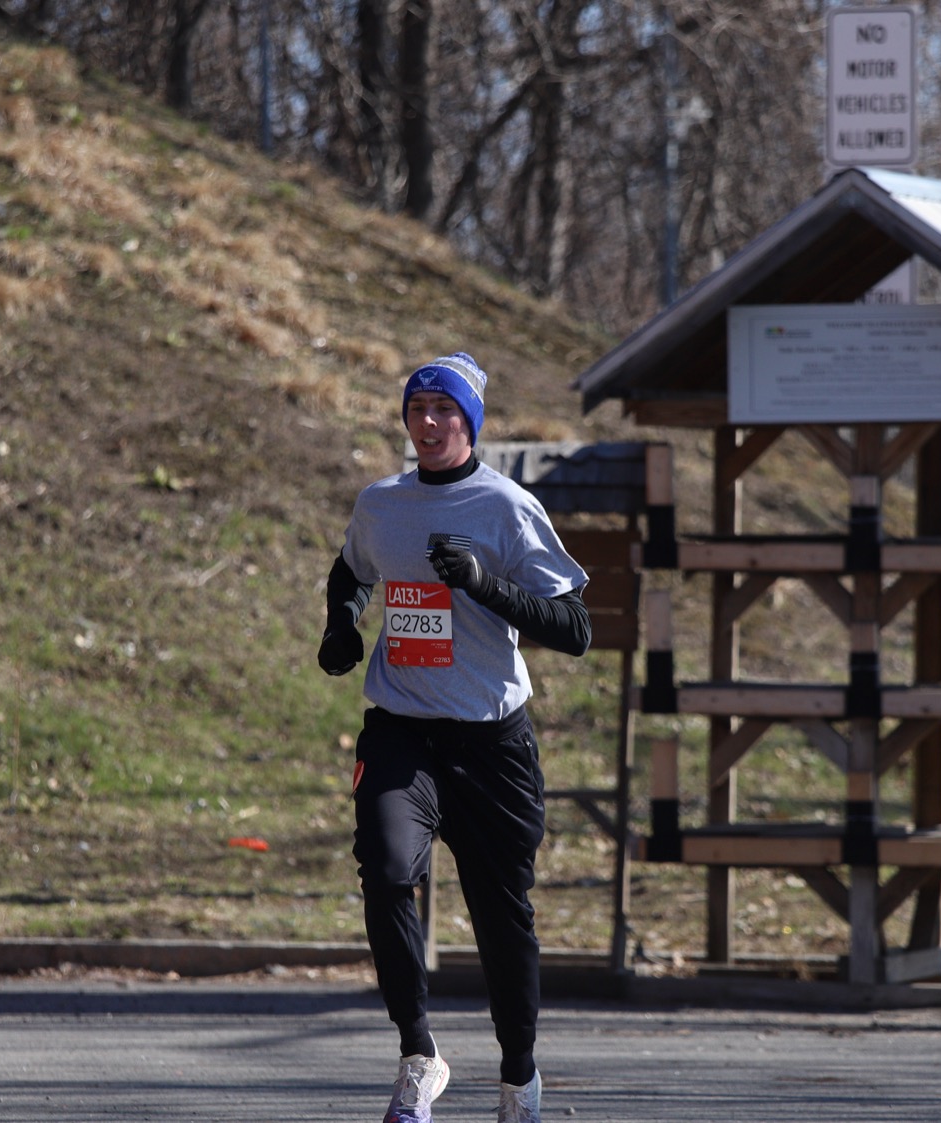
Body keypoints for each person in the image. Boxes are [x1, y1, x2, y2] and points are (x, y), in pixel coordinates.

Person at [318, 352, 591, 1123]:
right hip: (401, 730)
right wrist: (342, 625)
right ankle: (419, 1056)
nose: (429, 421)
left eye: (445, 409)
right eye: (418, 409)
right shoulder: (383, 503)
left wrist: (482, 582)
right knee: (384, 869)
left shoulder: (507, 507)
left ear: (470, 422)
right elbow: (351, 570)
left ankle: (519, 1079)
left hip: (490, 742)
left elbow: (574, 628)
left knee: (502, 917)